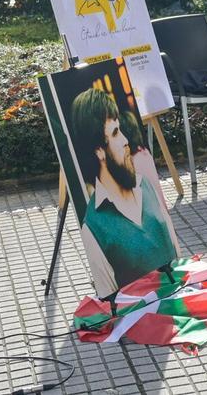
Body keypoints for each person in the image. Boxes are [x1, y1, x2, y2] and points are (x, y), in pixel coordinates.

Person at [69, 88, 178, 298]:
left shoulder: (145, 186)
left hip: (179, 297)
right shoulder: (94, 227)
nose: (126, 140)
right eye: (116, 133)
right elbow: (109, 298)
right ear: (98, 150)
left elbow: (176, 258)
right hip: (141, 319)